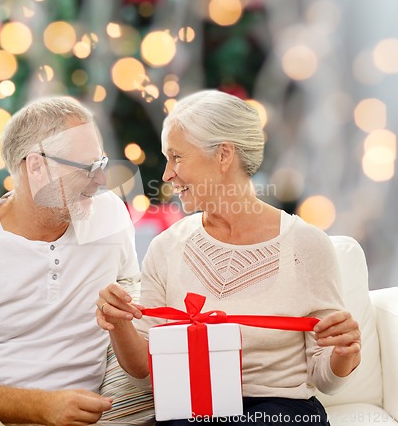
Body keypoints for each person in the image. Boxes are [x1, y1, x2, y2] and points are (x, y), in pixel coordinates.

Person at [97, 90, 361, 425]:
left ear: (223, 155)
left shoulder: (306, 245)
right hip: (192, 411)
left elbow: (325, 377)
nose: (166, 174)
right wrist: (118, 323)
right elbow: (145, 373)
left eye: (177, 157)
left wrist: (344, 352)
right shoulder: (166, 247)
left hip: (281, 411)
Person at [0, 96, 140, 426]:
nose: (101, 181)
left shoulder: (110, 219)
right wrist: (42, 406)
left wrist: (120, 318)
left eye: (101, 165)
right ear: (36, 167)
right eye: (87, 168)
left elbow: (138, 350)